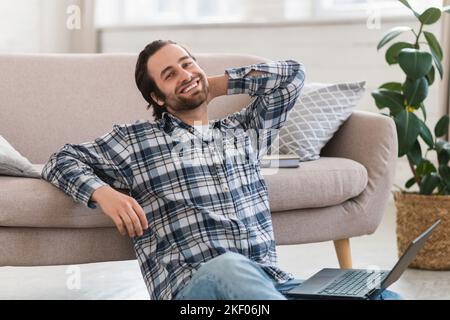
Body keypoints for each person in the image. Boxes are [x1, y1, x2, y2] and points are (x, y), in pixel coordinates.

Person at [41, 40, 401, 300]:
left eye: (187, 62)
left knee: (377, 289)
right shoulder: (136, 141)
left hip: (273, 285)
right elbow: (61, 160)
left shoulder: (246, 131)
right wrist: (103, 193)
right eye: (170, 74)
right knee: (231, 268)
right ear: (157, 98)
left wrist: (208, 85)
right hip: (194, 289)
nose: (184, 73)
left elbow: (292, 76)